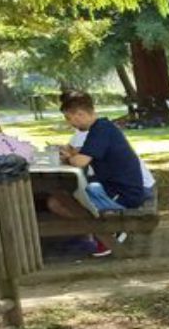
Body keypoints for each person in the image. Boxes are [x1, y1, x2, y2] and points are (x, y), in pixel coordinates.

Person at [47, 90, 150, 255]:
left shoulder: (100, 130)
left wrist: (68, 156)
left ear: (80, 114)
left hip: (123, 194)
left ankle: (106, 231)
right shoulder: (102, 128)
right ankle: (93, 232)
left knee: (58, 201)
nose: (70, 123)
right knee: (61, 197)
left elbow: (81, 161)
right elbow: (85, 153)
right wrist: (73, 153)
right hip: (119, 188)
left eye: (69, 118)